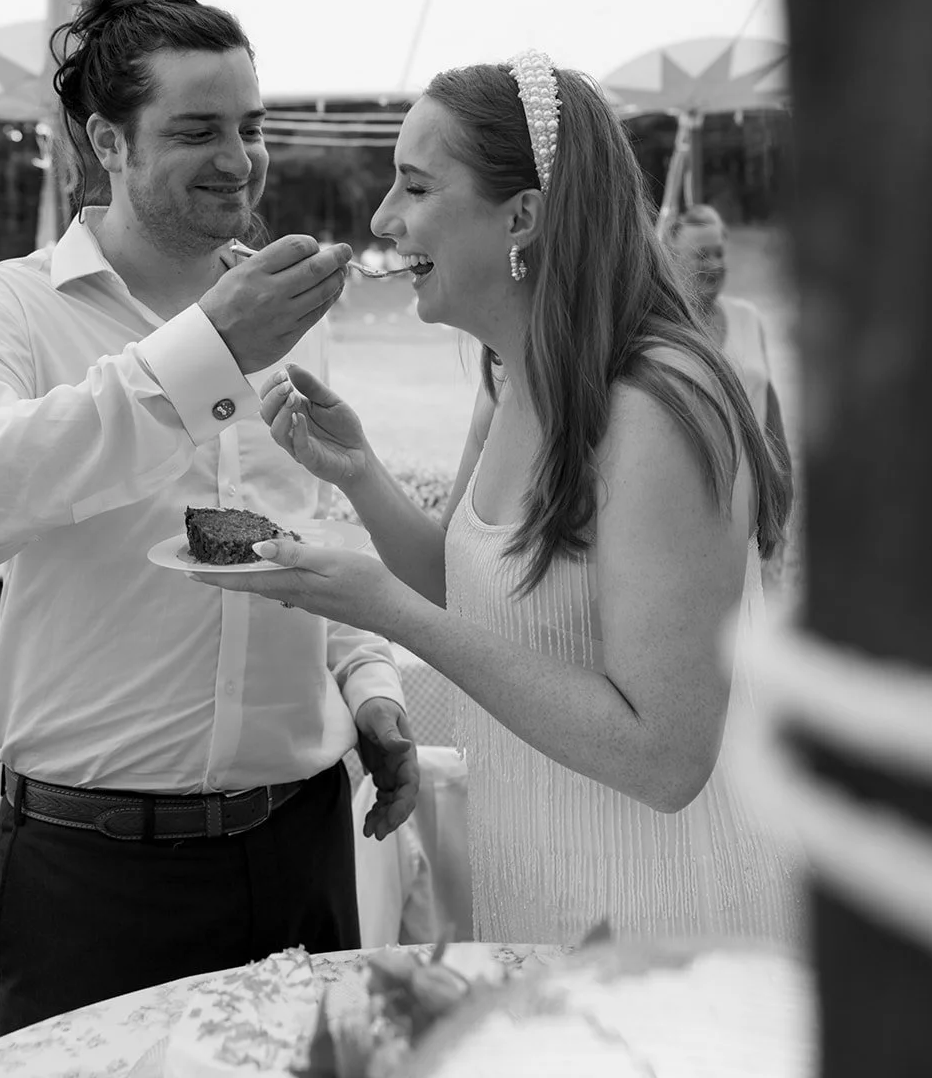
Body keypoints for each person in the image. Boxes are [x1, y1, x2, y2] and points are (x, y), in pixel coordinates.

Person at [0, 0, 418, 1033]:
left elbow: (309, 533)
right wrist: (202, 356)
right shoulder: (5, 308)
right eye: (195, 129)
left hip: (303, 843)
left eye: (251, 123)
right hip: (97, 870)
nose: (238, 157)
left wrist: (367, 682)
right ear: (107, 141)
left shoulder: (284, 311)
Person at [190, 52, 801, 946]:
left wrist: (387, 613)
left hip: (660, 918)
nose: (381, 219)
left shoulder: (659, 406)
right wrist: (356, 470)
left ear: (521, 216)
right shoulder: (507, 377)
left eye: (415, 187)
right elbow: (465, 593)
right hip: (537, 889)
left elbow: (665, 756)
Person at [666, 204, 792, 472]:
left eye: (719, 253)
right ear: (673, 260)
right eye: (702, 255)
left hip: (759, 489)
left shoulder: (748, 317)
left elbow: (769, 410)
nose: (715, 264)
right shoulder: (670, 330)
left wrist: (785, 480)